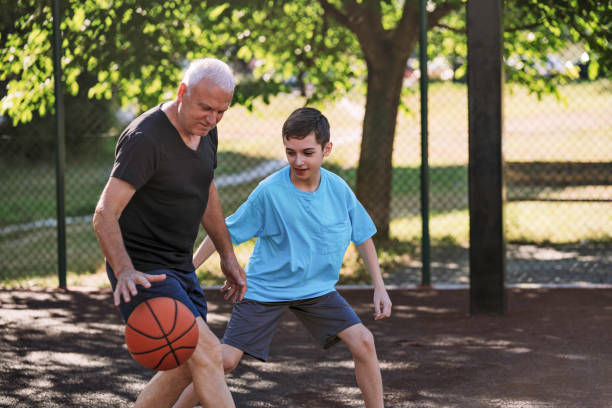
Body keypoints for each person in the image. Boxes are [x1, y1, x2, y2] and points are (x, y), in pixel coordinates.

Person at [175, 107, 392, 408]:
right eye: (291, 152)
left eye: (307, 152)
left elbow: (363, 235)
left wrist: (379, 287)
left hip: (316, 290)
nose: (298, 161)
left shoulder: (338, 190)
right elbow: (223, 232)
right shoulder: (270, 192)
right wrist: (186, 272)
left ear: (326, 149)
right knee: (224, 361)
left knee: (364, 342)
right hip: (265, 289)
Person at [92, 58, 247, 408]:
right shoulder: (146, 139)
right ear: (182, 93)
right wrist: (125, 270)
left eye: (221, 111)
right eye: (205, 108)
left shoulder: (207, 130)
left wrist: (226, 255)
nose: (212, 118)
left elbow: (205, 188)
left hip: (179, 266)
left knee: (183, 364)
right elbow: (104, 214)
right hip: (143, 269)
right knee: (207, 353)